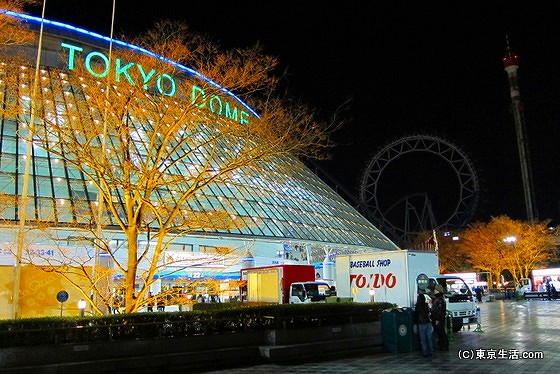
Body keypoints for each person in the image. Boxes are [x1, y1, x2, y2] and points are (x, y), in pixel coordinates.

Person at [430, 284, 449, 351]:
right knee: (439, 333)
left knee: (441, 332)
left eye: (435, 289)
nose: (434, 290)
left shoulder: (439, 299)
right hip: (437, 319)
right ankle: (442, 345)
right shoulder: (438, 298)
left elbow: (440, 310)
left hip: (438, 319)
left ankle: (444, 345)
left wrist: (437, 319)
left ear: (438, 290)